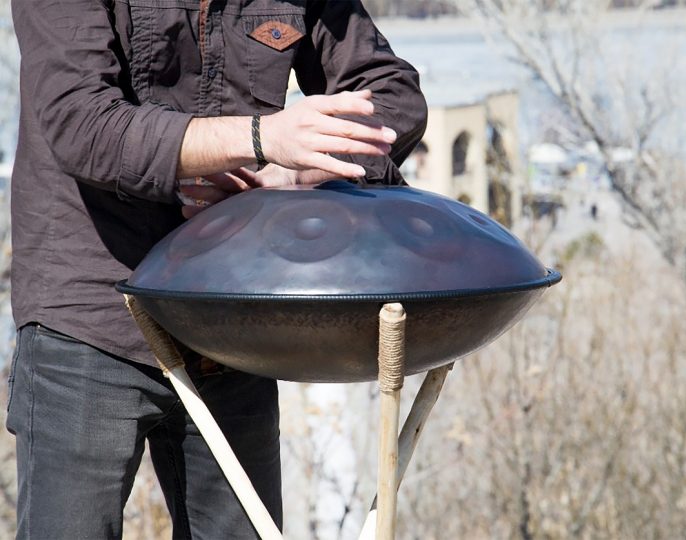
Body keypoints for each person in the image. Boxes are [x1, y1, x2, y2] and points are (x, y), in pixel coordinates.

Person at [6, 0, 427, 537]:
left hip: (231, 316)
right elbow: (82, 124)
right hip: (92, 315)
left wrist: (294, 172)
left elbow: (393, 94)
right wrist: (260, 138)